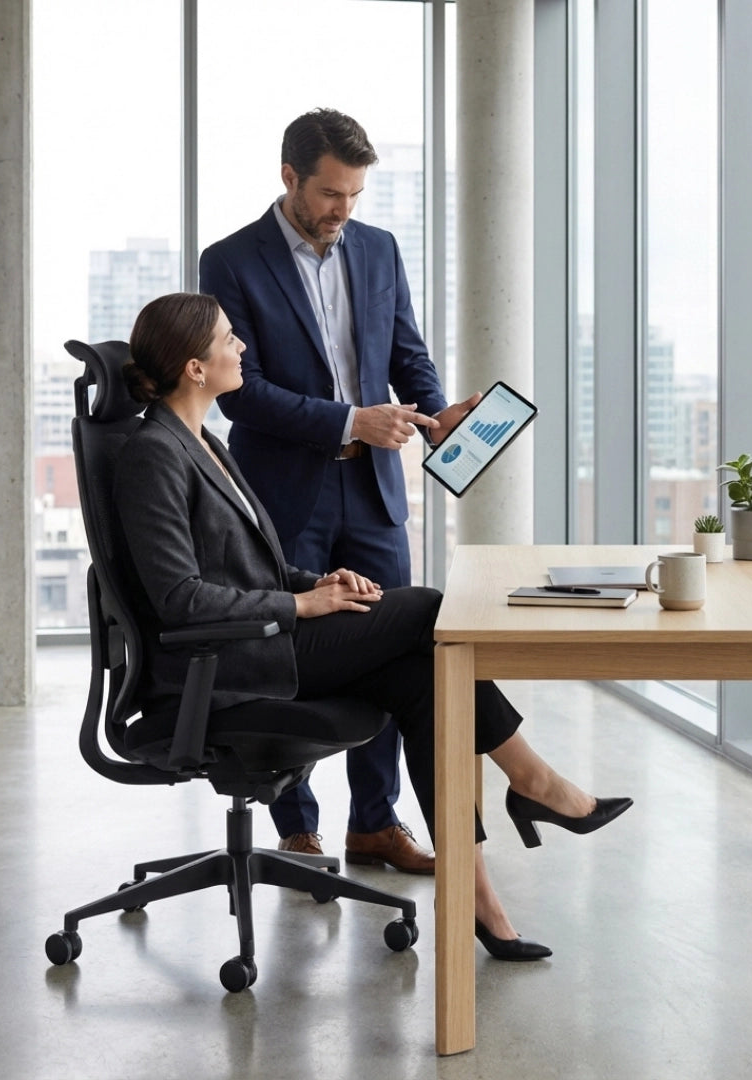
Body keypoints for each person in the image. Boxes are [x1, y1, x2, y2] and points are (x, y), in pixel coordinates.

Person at [112, 292, 633, 960]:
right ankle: (535, 783)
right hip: (225, 665)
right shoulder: (153, 454)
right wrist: (301, 608)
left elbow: (251, 565)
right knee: (426, 608)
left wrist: (317, 582)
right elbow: (179, 599)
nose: (241, 347)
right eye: (228, 339)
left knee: (423, 679)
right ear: (195, 368)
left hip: (260, 640)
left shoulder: (205, 442)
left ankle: (476, 894)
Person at [199, 108, 483, 873]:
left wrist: (436, 414)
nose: (342, 210)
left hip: (375, 489)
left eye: (354, 195)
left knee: (389, 643)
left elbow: (407, 353)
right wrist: (350, 419)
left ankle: (375, 821)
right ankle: (296, 824)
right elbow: (241, 393)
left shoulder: (379, 249)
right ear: (289, 177)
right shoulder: (230, 261)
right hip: (285, 492)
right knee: (290, 652)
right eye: (330, 193)